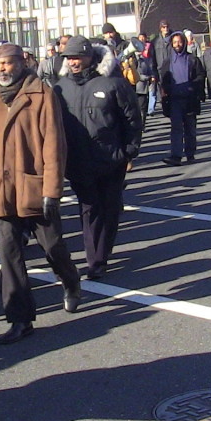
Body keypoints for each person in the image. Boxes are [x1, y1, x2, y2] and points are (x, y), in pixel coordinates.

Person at [0, 44, 82, 344]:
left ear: (22, 63)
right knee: (9, 252)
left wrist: (52, 190)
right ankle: (20, 319)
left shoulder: (41, 93)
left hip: (35, 186)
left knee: (53, 246)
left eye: (8, 63)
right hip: (1, 189)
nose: (3, 69)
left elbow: (54, 144)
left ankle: (70, 280)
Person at [54, 36, 142, 280]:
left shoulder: (113, 83)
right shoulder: (60, 88)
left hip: (111, 160)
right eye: (69, 58)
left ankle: (101, 254)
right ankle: (95, 260)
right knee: (89, 208)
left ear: (90, 57)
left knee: (110, 208)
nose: (73, 62)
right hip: (77, 161)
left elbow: (132, 119)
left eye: (77, 57)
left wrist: (129, 151)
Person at [157, 32, 205, 166]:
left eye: (180, 42)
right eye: (175, 42)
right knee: (176, 128)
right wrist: (166, 93)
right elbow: (164, 80)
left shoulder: (193, 60)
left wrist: (193, 87)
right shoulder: (167, 62)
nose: (177, 44)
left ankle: (190, 154)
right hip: (174, 100)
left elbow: (200, 76)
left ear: (184, 42)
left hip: (190, 100)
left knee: (190, 129)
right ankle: (176, 156)